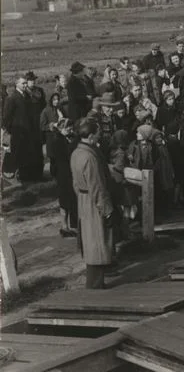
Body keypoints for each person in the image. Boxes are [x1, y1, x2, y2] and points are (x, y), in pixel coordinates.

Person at [70, 118, 115, 289]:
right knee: (98, 240)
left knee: (91, 240)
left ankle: (98, 278)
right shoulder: (90, 157)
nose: (99, 137)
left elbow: (75, 182)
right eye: (97, 134)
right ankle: (96, 284)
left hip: (83, 199)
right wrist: (107, 210)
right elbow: (97, 187)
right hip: (94, 201)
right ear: (90, 136)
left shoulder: (76, 153)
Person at [2, 77, 42, 182]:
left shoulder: (26, 96)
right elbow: (7, 116)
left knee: (27, 154)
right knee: (19, 154)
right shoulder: (12, 98)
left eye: (25, 83)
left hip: (27, 131)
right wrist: (9, 130)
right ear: (17, 84)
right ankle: (20, 177)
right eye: (23, 83)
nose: (25, 85)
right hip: (18, 131)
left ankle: (27, 176)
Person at [53, 118, 78, 237]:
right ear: (61, 128)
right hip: (64, 174)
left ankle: (68, 226)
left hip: (65, 174)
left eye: (71, 128)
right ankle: (65, 226)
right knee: (65, 201)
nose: (70, 129)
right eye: (68, 127)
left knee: (67, 201)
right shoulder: (59, 141)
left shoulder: (67, 138)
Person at [40, 93, 66, 176]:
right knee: (53, 159)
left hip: (61, 136)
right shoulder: (46, 111)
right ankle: (54, 176)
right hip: (52, 138)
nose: (56, 101)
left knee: (61, 157)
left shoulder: (60, 109)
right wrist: (52, 125)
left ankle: (61, 175)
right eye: (54, 99)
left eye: (58, 99)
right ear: (50, 100)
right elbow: (42, 126)